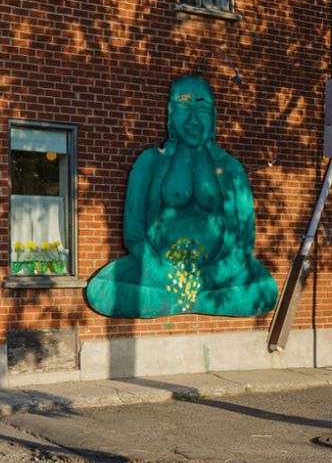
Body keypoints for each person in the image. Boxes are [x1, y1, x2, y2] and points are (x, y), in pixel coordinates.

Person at [86, 76, 278, 319]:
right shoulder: (150, 162)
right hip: (158, 271)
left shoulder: (231, 169)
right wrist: (166, 274)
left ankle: (179, 300)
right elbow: (134, 234)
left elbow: (244, 243)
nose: (194, 117)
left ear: (214, 117)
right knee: (100, 290)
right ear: (170, 114)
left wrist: (209, 277)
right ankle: (199, 301)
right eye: (185, 105)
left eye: (202, 106)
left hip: (221, 275)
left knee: (266, 290)